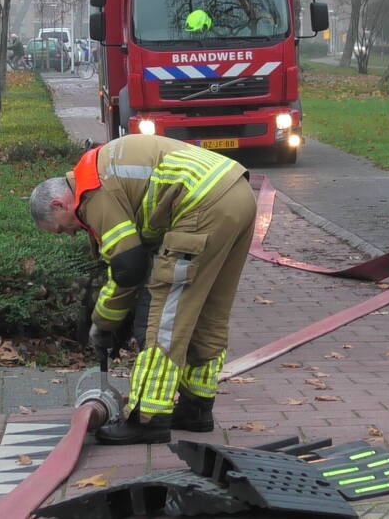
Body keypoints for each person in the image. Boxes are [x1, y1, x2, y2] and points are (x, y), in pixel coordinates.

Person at [29, 134, 257, 445]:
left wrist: (104, 323)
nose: (69, 234)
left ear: (59, 204)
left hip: (200, 206)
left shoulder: (93, 192)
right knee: (210, 313)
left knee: (166, 320)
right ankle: (196, 408)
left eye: (61, 227)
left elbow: (128, 265)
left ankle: (147, 418)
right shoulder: (100, 168)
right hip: (238, 194)